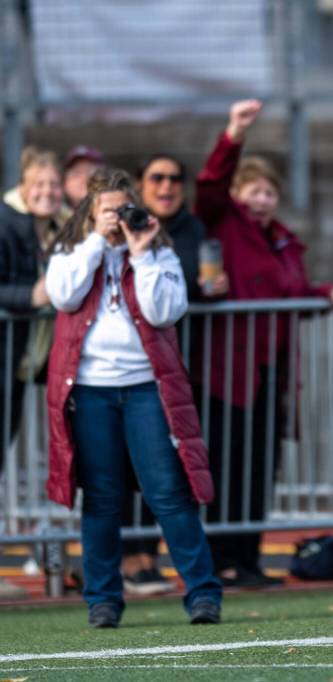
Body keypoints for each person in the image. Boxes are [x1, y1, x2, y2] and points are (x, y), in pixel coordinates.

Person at [194, 100, 333, 588]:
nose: (262, 199)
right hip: (227, 372)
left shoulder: (284, 241)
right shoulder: (223, 223)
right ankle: (222, 560)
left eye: (269, 191)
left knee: (260, 467)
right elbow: (207, 188)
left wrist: (329, 292)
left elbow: (291, 295)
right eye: (252, 190)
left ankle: (246, 560)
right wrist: (233, 134)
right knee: (225, 467)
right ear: (236, 194)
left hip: (271, 373)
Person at [44, 168, 221, 627]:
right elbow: (63, 296)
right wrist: (95, 244)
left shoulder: (158, 253)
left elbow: (165, 312)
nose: (118, 219)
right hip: (90, 390)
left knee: (169, 493)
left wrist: (140, 254)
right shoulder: (71, 250)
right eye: (108, 211)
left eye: (125, 209)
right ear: (90, 213)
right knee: (101, 498)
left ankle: (203, 594)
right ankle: (102, 600)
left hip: (148, 388)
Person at [117, 154, 231, 597]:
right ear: (141, 186)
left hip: (175, 366)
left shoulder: (192, 229)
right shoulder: (125, 227)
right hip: (130, 365)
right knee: (127, 466)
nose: (166, 186)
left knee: (164, 469)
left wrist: (211, 291)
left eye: (174, 179)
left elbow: (183, 292)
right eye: (156, 178)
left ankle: (166, 565)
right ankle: (133, 558)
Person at [0, 146, 68, 601]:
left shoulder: (62, 226)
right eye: (38, 184)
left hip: (26, 363)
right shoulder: (6, 222)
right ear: (24, 186)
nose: (46, 192)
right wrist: (34, 294)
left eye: (52, 184)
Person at [62, 145, 105, 210]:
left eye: (91, 172)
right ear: (65, 184)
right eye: (77, 173)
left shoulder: (119, 216)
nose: (84, 178)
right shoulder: (52, 217)